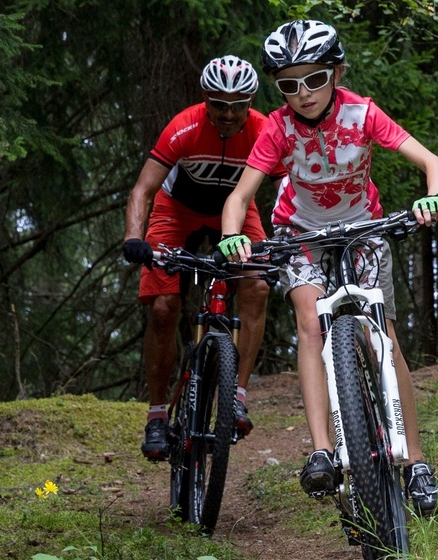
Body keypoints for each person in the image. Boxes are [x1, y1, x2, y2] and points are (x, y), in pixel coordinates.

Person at [218, 20, 438, 516]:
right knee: (309, 324)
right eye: (289, 85)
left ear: (337, 72)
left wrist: (433, 197)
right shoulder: (277, 128)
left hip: (362, 229)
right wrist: (232, 234)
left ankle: (416, 463)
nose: (303, 94)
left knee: (383, 335)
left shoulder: (362, 113)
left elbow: (431, 162)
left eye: (315, 79)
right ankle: (322, 448)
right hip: (300, 234)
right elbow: (240, 196)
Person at [123, 55, 281, 461]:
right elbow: (143, 190)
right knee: (163, 306)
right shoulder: (185, 127)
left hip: (238, 212)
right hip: (178, 211)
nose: (228, 114)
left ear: (250, 102)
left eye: (238, 104)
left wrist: (291, 238)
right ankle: (158, 414)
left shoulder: (264, 130)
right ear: (205, 101)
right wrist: (133, 237)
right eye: (218, 104)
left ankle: (237, 396)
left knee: (258, 286)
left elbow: (289, 188)